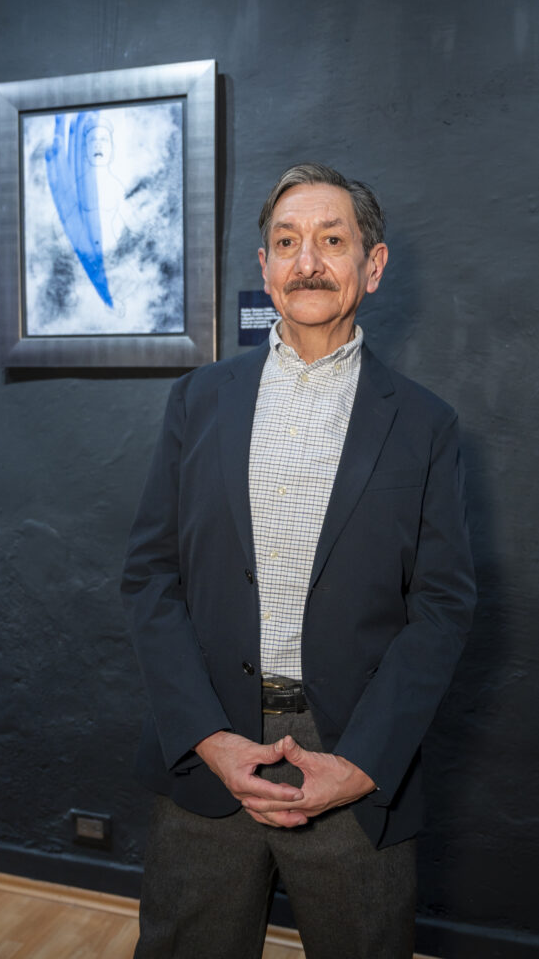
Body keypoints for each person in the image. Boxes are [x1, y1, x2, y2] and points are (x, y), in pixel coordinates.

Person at [121, 163, 476, 958]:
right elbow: (149, 577)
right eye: (286, 243)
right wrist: (205, 737)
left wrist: (361, 764)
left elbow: (442, 608)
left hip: (351, 753)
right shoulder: (197, 400)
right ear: (264, 267)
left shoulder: (425, 425)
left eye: (330, 241)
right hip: (209, 750)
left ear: (372, 266)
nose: (306, 262)